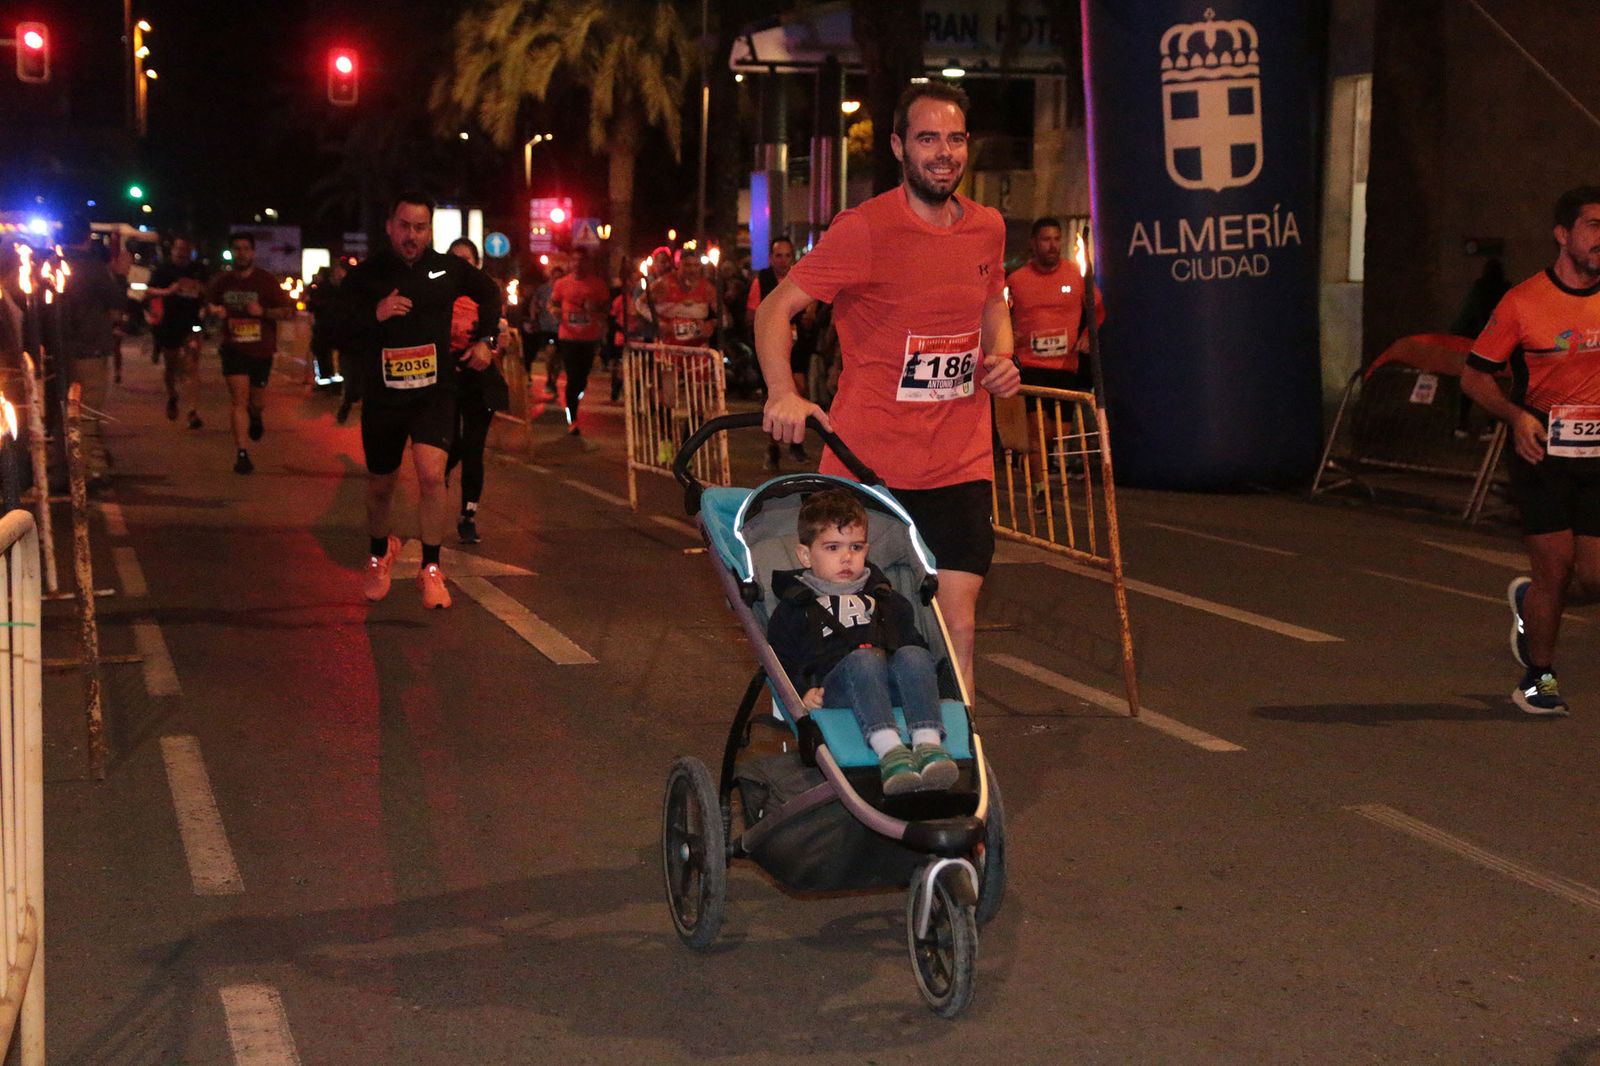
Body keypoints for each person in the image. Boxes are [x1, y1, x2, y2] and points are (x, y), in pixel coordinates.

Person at [756, 81, 1020, 695]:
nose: (944, 152)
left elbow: (992, 302)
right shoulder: (865, 229)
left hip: (960, 463)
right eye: (928, 138)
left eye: (955, 138)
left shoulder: (987, 228)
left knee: (957, 626)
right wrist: (782, 392)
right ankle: (862, 760)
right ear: (900, 146)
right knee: (854, 630)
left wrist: (1000, 356)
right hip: (867, 466)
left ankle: (956, 774)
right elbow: (775, 311)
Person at [1460, 185, 1600, 717]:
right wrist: (1515, 417)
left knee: (1592, 579)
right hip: (1542, 447)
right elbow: (1474, 378)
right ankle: (1537, 681)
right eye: (1593, 226)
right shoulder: (1522, 302)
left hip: (1599, 453)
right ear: (1563, 235)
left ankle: (1530, 604)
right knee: (1554, 567)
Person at [342, 191, 501, 609]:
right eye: (404, 227)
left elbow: (490, 294)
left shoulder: (449, 269)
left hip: (433, 392)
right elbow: (338, 326)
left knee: (433, 477)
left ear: (430, 230)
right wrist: (373, 314)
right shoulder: (367, 274)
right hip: (384, 396)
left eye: (420, 227)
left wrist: (486, 340)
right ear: (389, 226)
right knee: (381, 486)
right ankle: (379, 553)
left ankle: (431, 567)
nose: (412, 236)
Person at [766, 489, 957, 795]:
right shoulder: (795, 606)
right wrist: (802, 694)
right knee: (865, 659)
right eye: (832, 547)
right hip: (836, 690)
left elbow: (913, 646)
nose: (846, 557)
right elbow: (782, 660)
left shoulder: (885, 598)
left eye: (856, 547)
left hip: (892, 684)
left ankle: (929, 747)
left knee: (915, 654)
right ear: (805, 555)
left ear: (867, 549)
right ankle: (891, 753)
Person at [1006, 215, 1104, 504]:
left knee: (1055, 435)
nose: (1052, 245)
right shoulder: (1017, 280)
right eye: (1046, 239)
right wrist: (1009, 333)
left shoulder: (1075, 274)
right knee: (1037, 435)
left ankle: (1033, 467)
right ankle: (1040, 489)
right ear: (1033, 244)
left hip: (1065, 367)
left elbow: (1098, 310)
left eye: (1056, 239)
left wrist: (1087, 335)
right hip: (1031, 367)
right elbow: (998, 313)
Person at [206, 233, 294, 474]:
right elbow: (207, 307)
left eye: (246, 249)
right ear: (231, 252)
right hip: (233, 349)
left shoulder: (265, 281)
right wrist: (215, 311)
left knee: (256, 403)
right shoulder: (221, 281)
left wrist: (262, 312)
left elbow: (287, 312)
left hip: (261, 350)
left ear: (253, 253)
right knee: (238, 401)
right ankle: (242, 453)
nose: (242, 253)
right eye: (237, 249)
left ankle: (256, 417)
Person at [443, 237, 510, 544]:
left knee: (473, 449)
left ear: (477, 264)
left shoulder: (487, 297)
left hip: (478, 383)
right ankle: (438, 474)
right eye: (454, 259)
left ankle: (468, 515)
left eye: (466, 260)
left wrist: (493, 341)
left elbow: (500, 336)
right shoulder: (438, 295)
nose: (460, 265)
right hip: (445, 381)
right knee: (449, 443)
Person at [748, 236, 818, 471]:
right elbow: (752, 313)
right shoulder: (762, 280)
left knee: (800, 387)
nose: (783, 260)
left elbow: (813, 307)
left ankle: (797, 442)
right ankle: (773, 446)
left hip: (797, 346)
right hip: (771, 348)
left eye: (788, 255)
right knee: (775, 396)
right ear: (770, 258)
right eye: (779, 255)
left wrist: (808, 318)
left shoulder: (801, 278)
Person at [145, 235, 207, 429]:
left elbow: (208, 291)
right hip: (169, 323)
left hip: (192, 323)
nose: (182, 253)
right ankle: (172, 396)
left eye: (186, 250)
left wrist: (202, 292)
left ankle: (192, 411)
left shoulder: (198, 269)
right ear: (172, 250)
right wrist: (168, 291)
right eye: (179, 249)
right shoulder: (163, 269)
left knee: (192, 366)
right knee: (171, 366)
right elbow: (149, 291)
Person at [548, 247, 610, 437]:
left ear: (587, 263)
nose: (577, 264)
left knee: (582, 378)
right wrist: (554, 312)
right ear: (570, 263)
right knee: (573, 376)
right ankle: (572, 418)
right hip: (568, 336)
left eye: (581, 260)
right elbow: (552, 304)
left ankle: (576, 395)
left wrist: (596, 309)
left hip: (589, 337)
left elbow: (606, 308)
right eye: (573, 260)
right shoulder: (562, 284)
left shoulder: (597, 284)